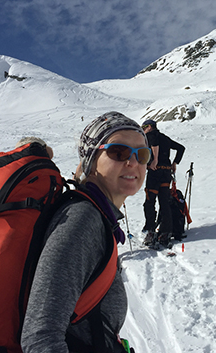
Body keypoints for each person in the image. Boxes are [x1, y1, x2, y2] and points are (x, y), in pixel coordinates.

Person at [21, 111, 148, 353]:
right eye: (118, 152)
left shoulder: (98, 216)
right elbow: (40, 338)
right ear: (91, 160)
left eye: (142, 154)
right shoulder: (82, 220)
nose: (133, 162)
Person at [141, 119, 185, 248]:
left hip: (155, 173)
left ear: (149, 127)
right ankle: (165, 233)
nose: (143, 129)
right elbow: (181, 148)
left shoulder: (150, 136)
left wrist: (154, 160)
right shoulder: (165, 138)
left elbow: (154, 142)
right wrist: (175, 163)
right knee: (164, 203)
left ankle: (151, 232)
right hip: (166, 174)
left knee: (149, 202)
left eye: (144, 127)